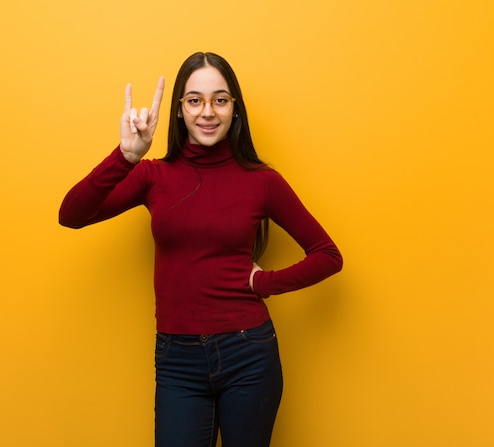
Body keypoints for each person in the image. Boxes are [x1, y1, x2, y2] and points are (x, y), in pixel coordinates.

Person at [59, 52, 343, 447]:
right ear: (179, 110)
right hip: (177, 359)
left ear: (234, 109)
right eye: (195, 100)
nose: (207, 112)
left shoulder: (262, 181)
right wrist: (125, 156)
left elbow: (328, 255)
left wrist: (264, 283)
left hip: (249, 353)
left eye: (220, 100)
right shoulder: (152, 175)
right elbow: (71, 215)